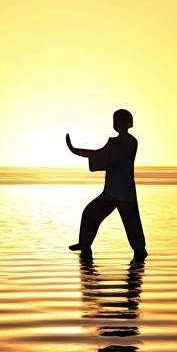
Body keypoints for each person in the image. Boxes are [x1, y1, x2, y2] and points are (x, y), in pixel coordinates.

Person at [65, 109, 147, 259]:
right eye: (116, 120)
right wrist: (74, 149)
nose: (117, 123)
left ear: (127, 123)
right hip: (118, 192)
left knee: (130, 224)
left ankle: (140, 251)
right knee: (92, 214)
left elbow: (99, 155)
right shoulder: (124, 142)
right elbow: (99, 155)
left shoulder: (127, 143)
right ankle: (85, 244)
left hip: (117, 193)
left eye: (120, 120)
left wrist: (74, 149)